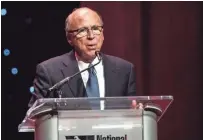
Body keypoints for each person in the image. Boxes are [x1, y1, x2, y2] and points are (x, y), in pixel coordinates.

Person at [28, 7, 136, 108]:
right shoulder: (50, 71)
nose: (91, 36)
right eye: (82, 31)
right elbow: (35, 117)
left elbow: (131, 113)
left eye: (95, 29)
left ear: (102, 34)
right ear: (69, 38)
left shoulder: (124, 70)